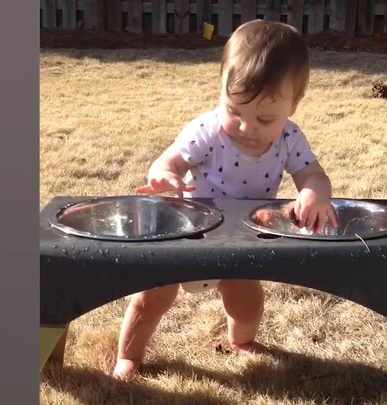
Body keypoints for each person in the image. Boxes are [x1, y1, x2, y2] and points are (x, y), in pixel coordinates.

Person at [111, 19, 338, 380]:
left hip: (242, 237)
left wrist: (313, 192)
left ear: (294, 104)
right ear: (220, 91)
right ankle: (129, 356)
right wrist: (165, 173)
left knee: (247, 302)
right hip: (188, 232)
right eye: (234, 111)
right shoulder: (208, 129)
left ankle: (241, 340)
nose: (247, 127)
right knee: (152, 297)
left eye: (264, 117)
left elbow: (313, 174)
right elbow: (170, 159)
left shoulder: (289, 139)